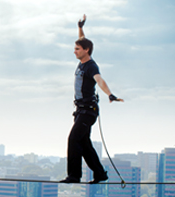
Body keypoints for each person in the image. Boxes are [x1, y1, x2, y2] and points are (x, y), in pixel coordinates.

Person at [60, 15, 124, 184]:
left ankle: (74, 176)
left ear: (86, 50)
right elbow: (82, 39)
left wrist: (109, 94)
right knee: (84, 144)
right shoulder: (82, 61)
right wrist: (80, 26)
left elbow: (100, 80)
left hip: (88, 111)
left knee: (73, 139)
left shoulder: (91, 66)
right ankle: (100, 174)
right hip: (81, 110)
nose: (74, 51)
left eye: (77, 49)